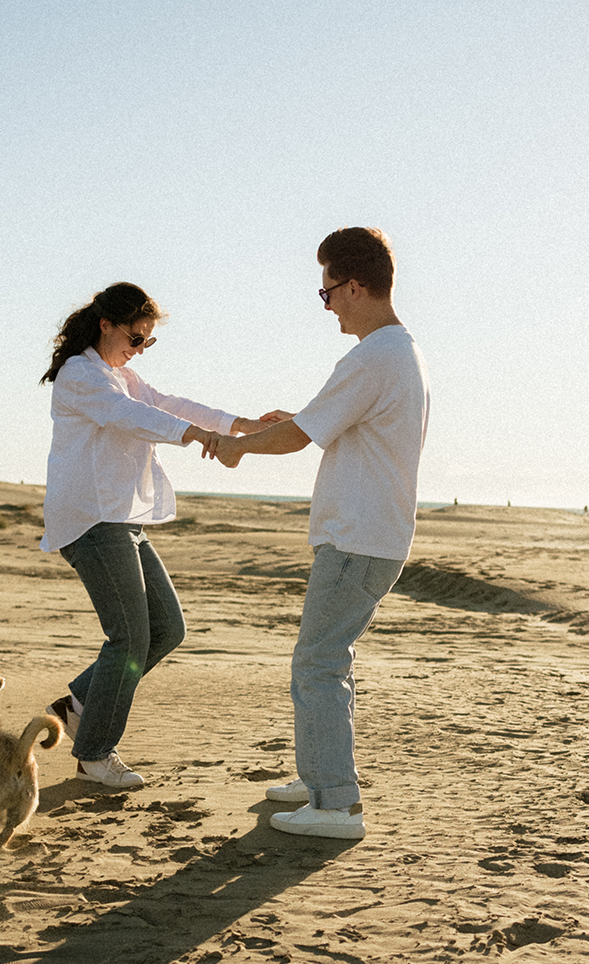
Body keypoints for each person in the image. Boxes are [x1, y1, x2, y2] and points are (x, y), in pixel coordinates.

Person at [211, 228, 429, 839]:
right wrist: (293, 420)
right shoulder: (394, 354)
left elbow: (298, 438)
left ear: (355, 286)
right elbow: (319, 423)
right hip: (371, 536)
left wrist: (237, 447)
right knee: (327, 661)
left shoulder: (374, 356)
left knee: (318, 662)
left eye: (328, 290)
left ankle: (335, 802)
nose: (327, 304)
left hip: (358, 538)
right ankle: (320, 778)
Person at [40, 282, 274, 788]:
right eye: (135, 336)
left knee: (167, 628)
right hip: (92, 520)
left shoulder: (121, 374)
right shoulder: (81, 375)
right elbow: (134, 417)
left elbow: (171, 403)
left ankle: (80, 703)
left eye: (147, 341)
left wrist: (240, 424)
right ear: (105, 324)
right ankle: (95, 754)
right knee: (128, 636)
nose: (139, 347)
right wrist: (197, 437)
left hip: (123, 520)